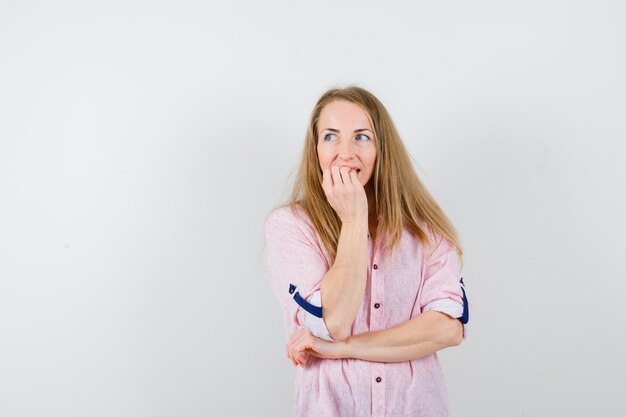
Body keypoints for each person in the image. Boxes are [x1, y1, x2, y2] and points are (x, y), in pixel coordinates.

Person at [264, 86, 470, 417]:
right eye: (331, 136)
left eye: (361, 137)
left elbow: (448, 328)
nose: (345, 153)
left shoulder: (425, 230)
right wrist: (354, 219)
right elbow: (333, 323)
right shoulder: (290, 226)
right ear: (315, 149)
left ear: (381, 150)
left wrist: (341, 349)